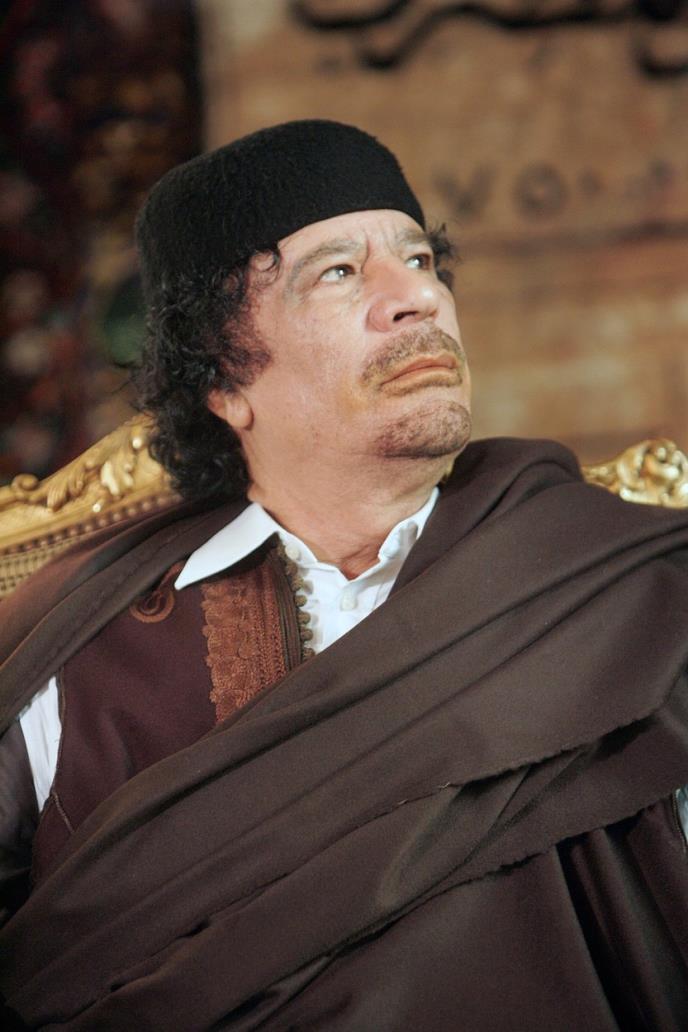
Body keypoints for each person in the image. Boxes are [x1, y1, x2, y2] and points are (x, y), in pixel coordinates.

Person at [1, 119, 688, 1031]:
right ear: (222, 381)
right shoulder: (74, 652)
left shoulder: (626, 585)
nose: (419, 299)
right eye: (338, 272)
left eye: (422, 260)